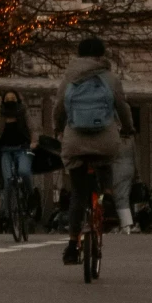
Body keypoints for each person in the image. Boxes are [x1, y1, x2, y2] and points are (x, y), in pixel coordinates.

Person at [53, 35, 133, 267]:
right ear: (101, 55)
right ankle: (107, 197)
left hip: (75, 142)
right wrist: (128, 128)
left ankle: (71, 246)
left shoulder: (69, 78)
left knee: (78, 194)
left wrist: (59, 128)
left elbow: (59, 108)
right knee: (106, 161)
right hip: (104, 140)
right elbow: (122, 107)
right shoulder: (110, 78)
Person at [0, 90, 34, 225]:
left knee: (24, 172)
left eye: (13, 98)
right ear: (3, 100)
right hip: (5, 150)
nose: (10, 100)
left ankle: (30, 196)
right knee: (8, 179)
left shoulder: (24, 112)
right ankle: (7, 210)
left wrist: (34, 141)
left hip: (22, 149)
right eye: (8, 98)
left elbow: (32, 128)